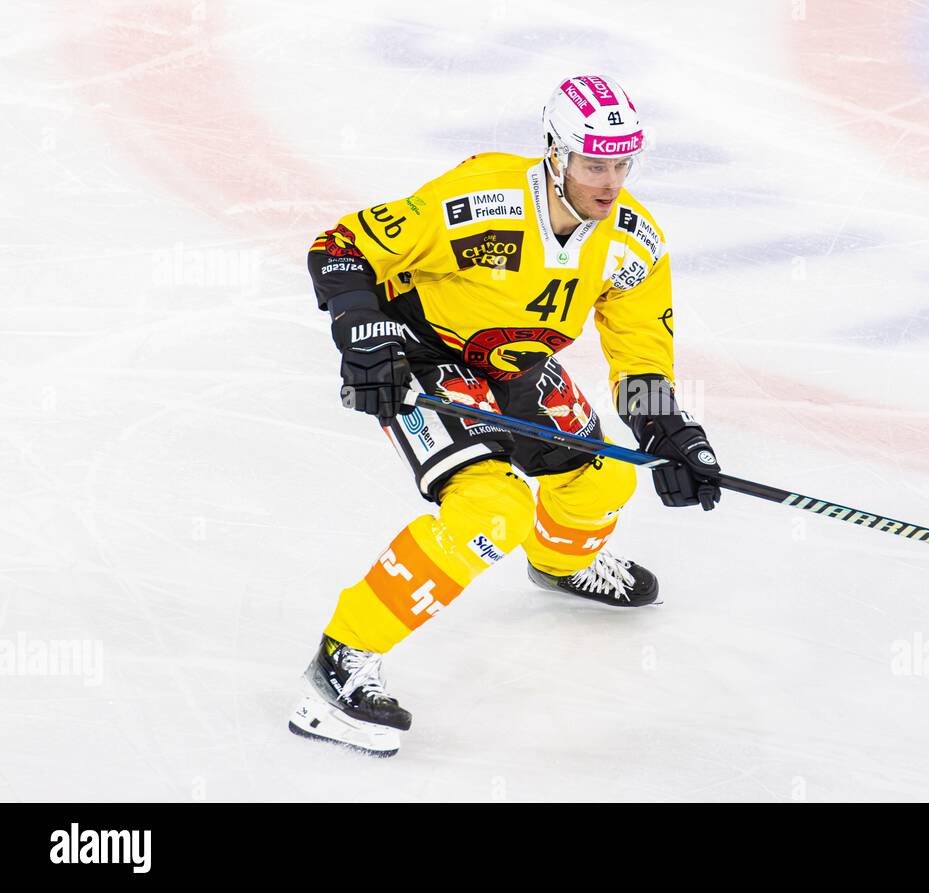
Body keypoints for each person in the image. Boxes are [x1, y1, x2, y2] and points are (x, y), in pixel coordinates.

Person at [289, 75, 723, 757]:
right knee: (493, 510)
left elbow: (639, 352)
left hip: (514, 363)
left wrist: (670, 429)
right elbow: (343, 247)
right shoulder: (481, 199)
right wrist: (363, 334)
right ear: (556, 152)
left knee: (606, 480)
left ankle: (556, 563)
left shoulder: (634, 245)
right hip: (428, 356)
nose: (610, 183)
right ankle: (340, 664)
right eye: (594, 163)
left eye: (622, 163)